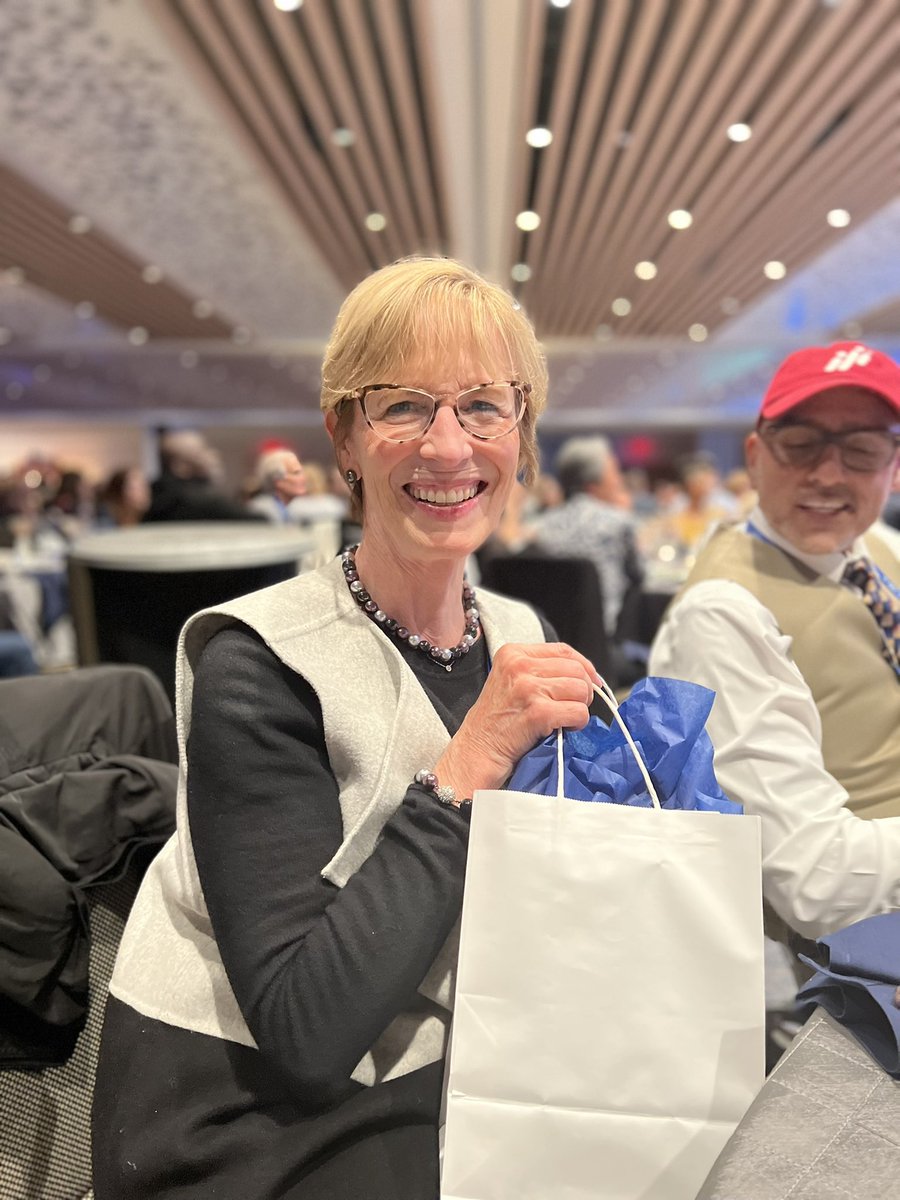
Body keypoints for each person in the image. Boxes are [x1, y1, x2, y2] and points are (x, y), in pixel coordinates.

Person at [92, 257, 600, 1199]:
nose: (450, 447)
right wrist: (472, 762)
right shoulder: (260, 662)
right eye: (404, 405)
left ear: (521, 433)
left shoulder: (523, 635)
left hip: (467, 1061)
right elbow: (306, 1032)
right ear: (345, 439)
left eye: (485, 406)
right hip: (264, 1121)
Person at [650, 341, 900, 946]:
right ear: (756, 456)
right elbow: (815, 878)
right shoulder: (723, 613)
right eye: (801, 443)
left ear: (893, 467)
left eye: (862, 450)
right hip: (860, 942)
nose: (829, 474)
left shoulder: (877, 547)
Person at [530, 434, 644, 637]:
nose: (620, 480)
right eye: (615, 472)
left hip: (546, 637)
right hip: (604, 642)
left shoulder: (539, 526)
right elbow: (641, 577)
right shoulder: (619, 523)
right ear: (594, 483)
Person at [144, 428, 266, 522]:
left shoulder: (151, 498)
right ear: (180, 466)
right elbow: (261, 521)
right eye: (202, 450)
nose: (214, 455)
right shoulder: (204, 502)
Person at [246, 447, 309, 522]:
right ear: (278, 480)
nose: (304, 478)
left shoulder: (296, 508)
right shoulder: (260, 510)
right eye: (296, 473)